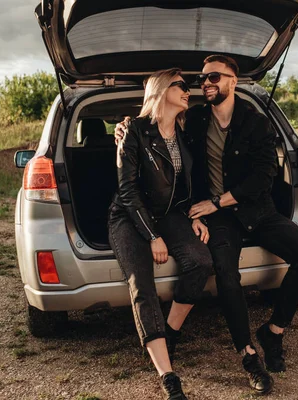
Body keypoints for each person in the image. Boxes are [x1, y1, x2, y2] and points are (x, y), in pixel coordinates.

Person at [116, 55, 298, 395]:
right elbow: (153, 127)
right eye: (201, 79)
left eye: (213, 77)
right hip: (220, 219)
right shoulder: (193, 120)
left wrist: (215, 201)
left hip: (256, 210)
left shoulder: (257, 122)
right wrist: (125, 126)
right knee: (226, 274)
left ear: (232, 81)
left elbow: (265, 175)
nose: (205, 83)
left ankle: (274, 331)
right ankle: (248, 354)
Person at [108, 68, 213, 400]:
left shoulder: (183, 134)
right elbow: (128, 192)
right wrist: (153, 236)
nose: (189, 90)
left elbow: (181, 187)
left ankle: (169, 332)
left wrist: (191, 214)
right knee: (142, 282)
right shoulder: (134, 130)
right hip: (128, 216)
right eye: (182, 85)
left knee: (200, 261)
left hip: (168, 214)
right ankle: (168, 375)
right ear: (162, 88)